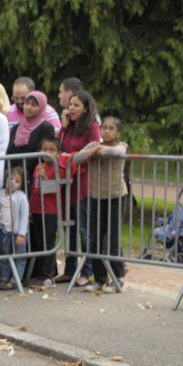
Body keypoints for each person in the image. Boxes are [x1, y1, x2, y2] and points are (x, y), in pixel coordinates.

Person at [74, 116, 128, 292]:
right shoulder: (93, 145)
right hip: (96, 197)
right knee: (95, 238)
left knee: (111, 239)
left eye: (111, 128)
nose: (106, 131)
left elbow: (115, 152)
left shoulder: (123, 145)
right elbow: (77, 158)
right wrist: (93, 150)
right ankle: (99, 278)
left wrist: (99, 150)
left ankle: (118, 277)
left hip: (115, 196)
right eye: (104, 127)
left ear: (118, 132)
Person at [57, 90, 101, 287]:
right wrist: (64, 127)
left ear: (85, 108)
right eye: (70, 105)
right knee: (70, 227)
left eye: (76, 105)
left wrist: (73, 156)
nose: (71, 109)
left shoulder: (91, 127)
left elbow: (94, 148)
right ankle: (69, 269)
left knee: (84, 228)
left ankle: (87, 270)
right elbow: (57, 147)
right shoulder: (69, 127)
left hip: (84, 182)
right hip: (68, 183)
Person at [28, 137, 62, 287]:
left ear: (58, 153)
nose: (47, 153)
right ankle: (49, 272)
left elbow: (54, 190)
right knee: (40, 242)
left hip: (50, 211)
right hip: (37, 210)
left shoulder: (57, 168)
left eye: (51, 150)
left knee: (48, 243)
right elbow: (34, 190)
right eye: (44, 149)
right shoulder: (38, 166)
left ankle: (47, 276)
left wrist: (45, 178)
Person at [6, 90, 56, 180]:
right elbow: (9, 152)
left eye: (33, 105)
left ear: (41, 107)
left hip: (32, 177)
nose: (28, 107)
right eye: (27, 103)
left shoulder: (46, 128)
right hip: (12, 178)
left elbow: (40, 154)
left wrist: (19, 172)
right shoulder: (16, 128)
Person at [0, 167, 29, 290]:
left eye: (16, 181)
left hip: (17, 233)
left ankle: (15, 280)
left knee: (20, 257)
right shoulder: (0, 194)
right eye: (10, 178)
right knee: (5, 255)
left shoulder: (21, 196)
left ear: (21, 185)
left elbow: (24, 215)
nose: (12, 182)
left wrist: (21, 234)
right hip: (4, 231)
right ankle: (4, 278)